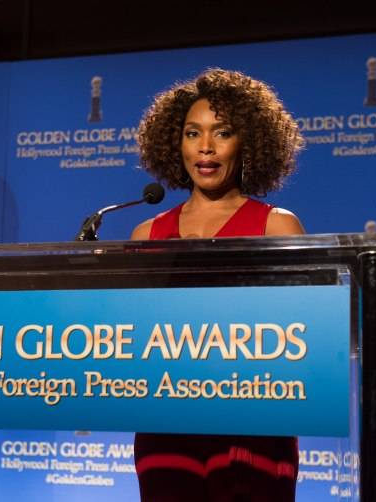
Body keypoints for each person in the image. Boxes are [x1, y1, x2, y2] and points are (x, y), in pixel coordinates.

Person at [131, 68, 304, 502]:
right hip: (165, 425)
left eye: (221, 133)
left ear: (248, 142)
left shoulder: (276, 228)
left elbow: (305, 337)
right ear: (176, 143)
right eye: (192, 133)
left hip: (254, 425)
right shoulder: (146, 233)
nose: (205, 147)